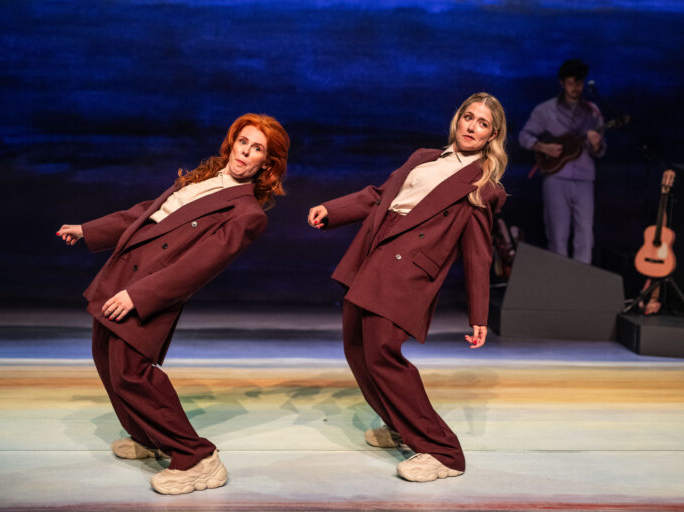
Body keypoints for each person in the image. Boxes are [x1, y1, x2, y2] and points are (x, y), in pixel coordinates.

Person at [57, 113, 289, 495]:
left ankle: (197, 458)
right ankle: (148, 438)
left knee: (131, 371)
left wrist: (139, 295)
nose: (245, 153)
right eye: (243, 142)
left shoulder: (246, 213)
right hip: (124, 271)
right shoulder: (204, 177)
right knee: (105, 357)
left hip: (151, 287)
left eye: (257, 149)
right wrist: (88, 230)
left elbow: (197, 267)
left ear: (268, 163)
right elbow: (146, 214)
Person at [307, 92, 507, 482]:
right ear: (457, 119)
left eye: (482, 123)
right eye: (468, 117)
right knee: (357, 348)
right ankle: (399, 425)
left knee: (382, 353)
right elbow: (380, 197)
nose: (472, 127)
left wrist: (479, 314)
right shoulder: (423, 157)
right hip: (374, 252)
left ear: (491, 135)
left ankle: (443, 451)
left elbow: (478, 254)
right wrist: (334, 209)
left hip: (408, 269)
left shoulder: (483, 184)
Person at [518, 58, 606, 264]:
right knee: (558, 234)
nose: (576, 87)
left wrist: (596, 144)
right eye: (571, 83)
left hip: (584, 179)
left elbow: (601, 150)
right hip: (556, 177)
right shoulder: (545, 110)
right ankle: (558, 287)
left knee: (585, 235)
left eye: (579, 83)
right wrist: (543, 147)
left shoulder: (592, 112)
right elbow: (524, 136)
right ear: (562, 83)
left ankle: (581, 286)